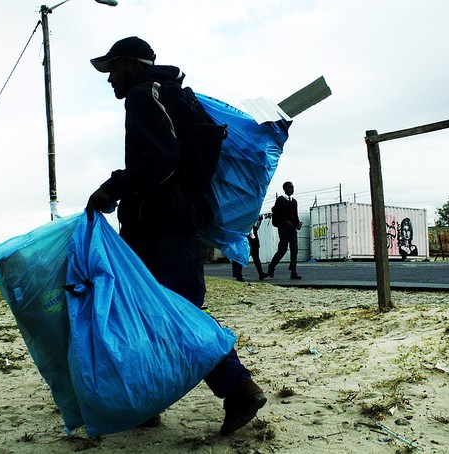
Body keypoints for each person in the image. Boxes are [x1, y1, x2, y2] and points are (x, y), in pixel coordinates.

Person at [85, 36, 266, 436]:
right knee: (156, 314)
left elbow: (159, 160)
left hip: (159, 226)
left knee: (170, 314)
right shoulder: (173, 94)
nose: (110, 78)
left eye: (113, 69)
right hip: (182, 221)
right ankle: (149, 402)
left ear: (133, 65)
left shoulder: (142, 95)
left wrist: (113, 188)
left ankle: (238, 387)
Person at [267, 181, 303, 280]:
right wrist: (285, 221)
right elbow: (276, 213)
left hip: (292, 228)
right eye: (290, 188)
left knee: (294, 249)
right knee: (282, 249)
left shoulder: (294, 201)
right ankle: (272, 266)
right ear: (285, 189)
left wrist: (298, 224)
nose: (292, 189)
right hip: (283, 228)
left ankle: (293, 272)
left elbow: (295, 215)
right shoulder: (280, 200)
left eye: (293, 187)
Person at [231, 216, 266, 281]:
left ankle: (260, 273)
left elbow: (255, 229)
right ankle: (238, 275)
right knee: (243, 256)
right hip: (248, 239)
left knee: (253, 257)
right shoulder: (247, 218)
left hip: (251, 239)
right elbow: (251, 231)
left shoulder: (253, 219)